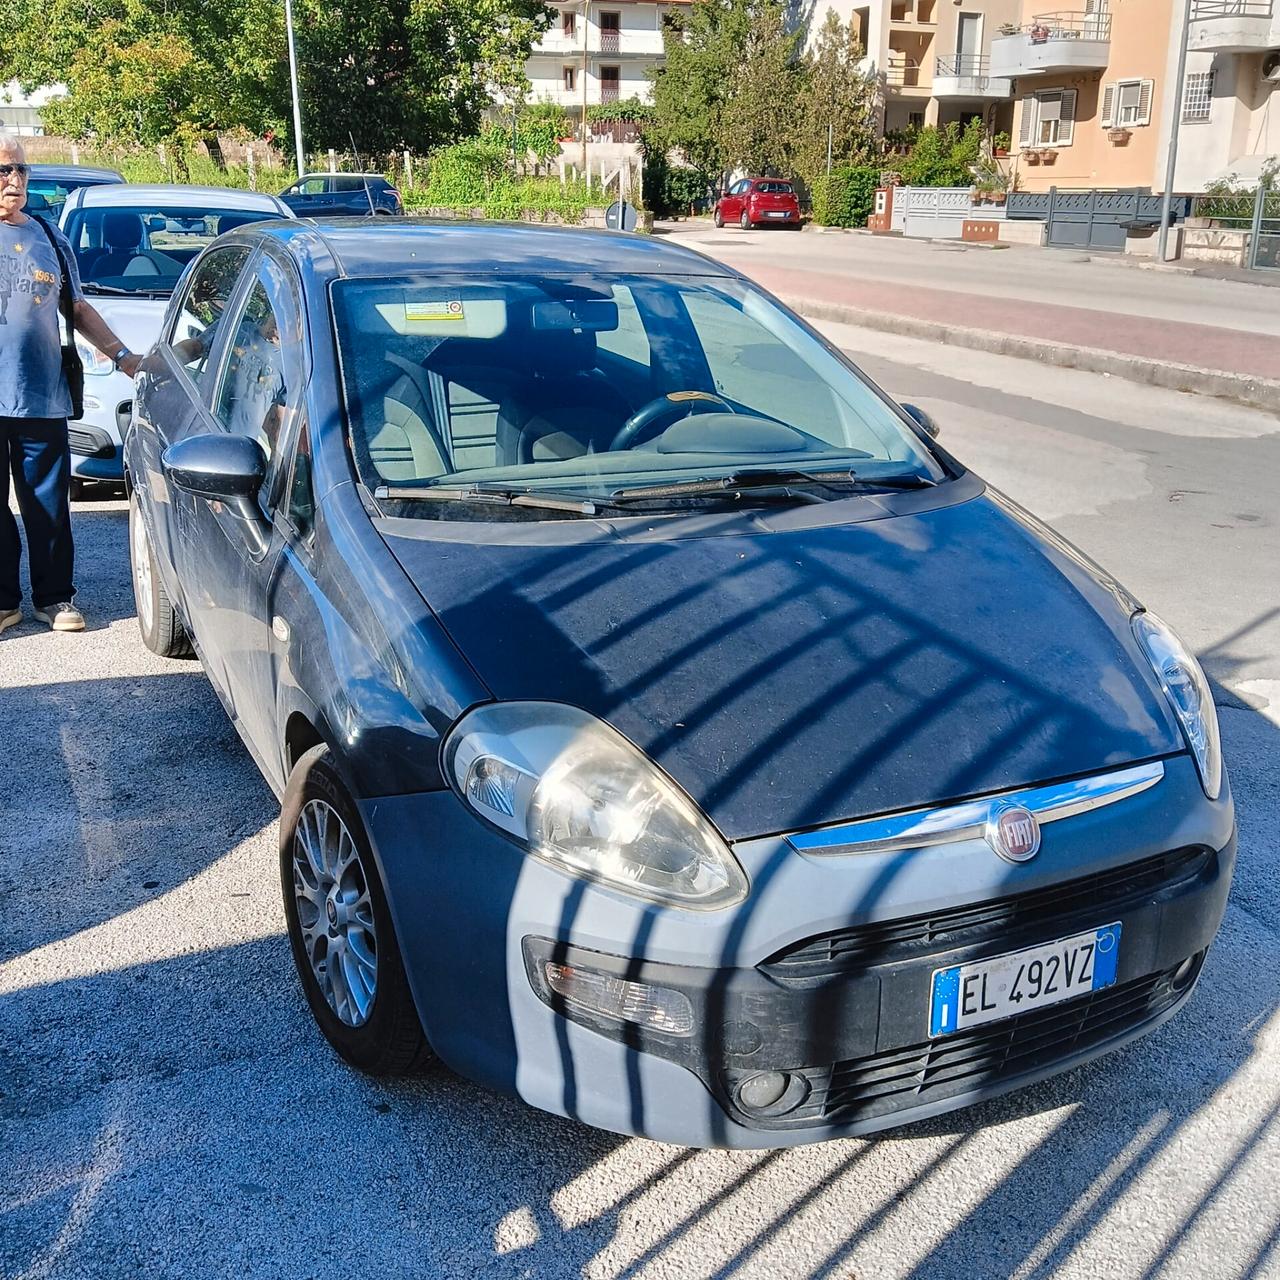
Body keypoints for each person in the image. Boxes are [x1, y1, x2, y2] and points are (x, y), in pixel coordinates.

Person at [0, 133, 141, 635]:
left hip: (40, 394)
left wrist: (124, 357)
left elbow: (76, 308)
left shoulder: (47, 236)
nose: (12, 180)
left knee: (48, 504)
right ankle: (4, 601)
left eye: (19, 170)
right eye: (2, 172)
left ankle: (55, 599)